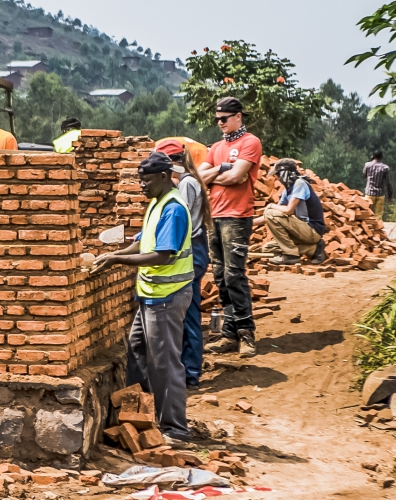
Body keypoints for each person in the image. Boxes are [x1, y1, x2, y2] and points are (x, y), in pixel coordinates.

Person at [92, 152, 194, 442]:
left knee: (165, 362)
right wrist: (113, 254)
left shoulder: (173, 208)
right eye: (139, 180)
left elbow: (162, 255)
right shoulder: (156, 204)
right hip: (150, 295)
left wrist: (117, 262)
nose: (141, 186)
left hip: (167, 295)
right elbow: (142, 243)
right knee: (136, 353)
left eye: (146, 181)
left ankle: (175, 427)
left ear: (164, 177)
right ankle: (138, 417)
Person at [198, 97, 262, 358]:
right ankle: (229, 333)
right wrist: (220, 171)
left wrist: (216, 174)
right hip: (215, 215)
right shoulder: (216, 147)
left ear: (238, 116)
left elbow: (237, 176)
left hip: (237, 216)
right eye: (217, 119)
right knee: (221, 277)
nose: (220, 123)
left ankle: (246, 334)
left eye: (224, 118)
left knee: (235, 275)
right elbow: (198, 177)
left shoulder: (250, 142)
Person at [155, 138, 211, 389]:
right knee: (187, 311)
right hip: (194, 249)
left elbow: (181, 219)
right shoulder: (187, 179)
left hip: (194, 251)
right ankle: (188, 368)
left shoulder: (187, 183)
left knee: (188, 313)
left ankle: (190, 372)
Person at [262, 159, 328, 265]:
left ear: (284, 173)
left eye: (277, 175)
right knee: (268, 248)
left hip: (312, 230)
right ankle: (314, 249)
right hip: (301, 230)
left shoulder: (300, 184)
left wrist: (270, 206)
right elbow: (272, 214)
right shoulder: (287, 190)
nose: (276, 178)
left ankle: (291, 255)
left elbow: (288, 210)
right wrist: (249, 223)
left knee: (270, 213)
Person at [364, 151, 392, 220]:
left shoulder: (367, 165)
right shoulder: (385, 168)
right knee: (378, 216)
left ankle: (367, 229)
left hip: (369, 193)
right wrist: (390, 196)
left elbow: (364, 175)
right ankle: (377, 230)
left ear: (372, 156)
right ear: (381, 158)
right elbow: (388, 183)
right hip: (380, 194)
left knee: (366, 213)